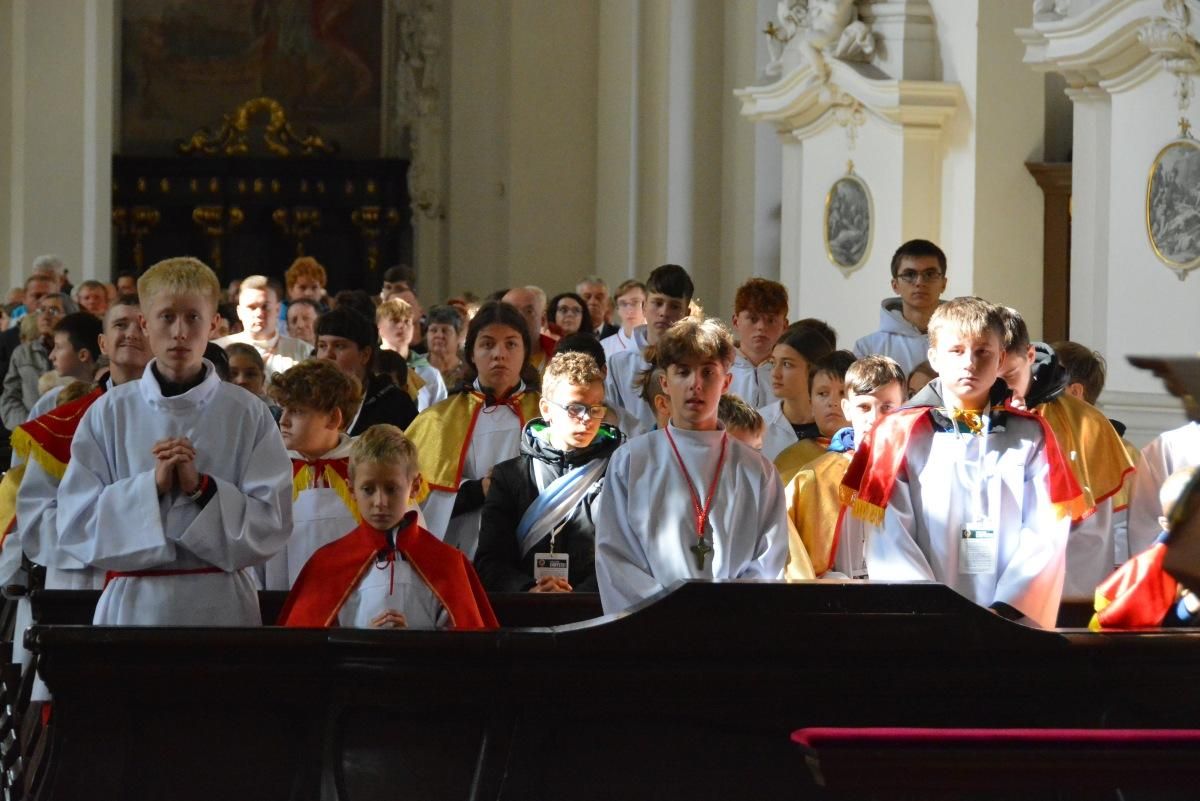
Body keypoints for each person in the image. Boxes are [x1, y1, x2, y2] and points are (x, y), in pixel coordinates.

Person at [56, 256, 293, 625]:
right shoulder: (110, 412)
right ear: (145, 324)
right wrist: (151, 487)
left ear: (214, 324)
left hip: (223, 604)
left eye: (193, 317)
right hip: (133, 604)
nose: (180, 332)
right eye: (166, 317)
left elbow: (272, 522)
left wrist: (202, 489)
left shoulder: (248, 413)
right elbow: (75, 523)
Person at [844, 297, 1082, 628]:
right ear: (934, 357)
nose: (969, 362)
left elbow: (1045, 531)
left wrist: (1004, 610)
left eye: (983, 351)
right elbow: (891, 539)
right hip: (929, 623)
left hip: (1009, 624)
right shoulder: (898, 435)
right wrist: (934, 612)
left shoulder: (1031, 435)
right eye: (956, 351)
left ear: (1000, 358)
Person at [595, 317, 789, 614]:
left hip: (733, 625)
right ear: (664, 382)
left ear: (726, 382)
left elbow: (768, 563)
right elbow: (616, 557)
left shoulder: (757, 470)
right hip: (654, 625)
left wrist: (718, 615)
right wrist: (673, 612)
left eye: (708, 372)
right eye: (683, 372)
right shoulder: (631, 460)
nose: (695, 384)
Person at [279, 425, 497, 629]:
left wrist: (413, 643)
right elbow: (308, 647)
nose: (380, 502)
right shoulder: (327, 564)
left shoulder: (447, 563)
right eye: (368, 489)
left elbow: (469, 648)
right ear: (351, 489)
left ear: (415, 487)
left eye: (391, 489)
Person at [10, 295, 151, 596]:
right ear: (103, 343)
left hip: (150, 579)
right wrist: (106, 536)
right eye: (120, 324)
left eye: (142, 325)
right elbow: (34, 514)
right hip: (80, 579)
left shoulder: (179, 416)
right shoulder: (63, 418)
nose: (131, 333)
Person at [996, 309, 1135, 602]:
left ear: (1029, 357)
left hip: (1071, 586)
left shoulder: (1088, 425)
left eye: (1008, 375)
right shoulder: (977, 411)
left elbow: (1111, 526)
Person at [474, 351, 623, 593]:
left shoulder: (617, 475)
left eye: (596, 409)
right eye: (575, 408)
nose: (587, 419)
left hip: (592, 609)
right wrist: (529, 590)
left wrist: (576, 597)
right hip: (525, 609)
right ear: (546, 409)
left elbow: (622, 559)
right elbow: (490, 562)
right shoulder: (509, 477)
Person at [405, 301, 542, 555]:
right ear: (471, 354)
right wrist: (479, 490)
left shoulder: (548, 415)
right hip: (463, 547)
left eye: (511, 344)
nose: (499, 354)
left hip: (530, 545)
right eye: (487, 344)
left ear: (525, 353)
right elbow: (415, 498)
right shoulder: (438, 420)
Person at [785, 355, 905, 579]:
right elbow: (791, 554)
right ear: (847, 409)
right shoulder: (815, 478)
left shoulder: (915, 473)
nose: (875, 418)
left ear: (903, 409)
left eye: (887, 407)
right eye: (864, 407)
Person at [259, 360, 361, 590]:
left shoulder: (368, 472)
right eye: (283, 409)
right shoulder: (271, 472)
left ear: (333, 418)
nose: (283, 420)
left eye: (297, 411)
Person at [1052, 340, 1141, 565]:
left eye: (1046, 384)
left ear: (1075, 391)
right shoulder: (1034, 445)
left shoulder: (1124, 456)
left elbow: (1129, 536)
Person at [604, 265, 694, 432]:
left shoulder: (695, 363)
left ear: (686, 314)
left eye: (674, 306)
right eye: (658, 303)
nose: (664, 312)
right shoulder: (618, 363)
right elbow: (611, 418)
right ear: (644, 306)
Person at [315, 307, 418, 436]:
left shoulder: (394, 404)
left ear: (365, 355)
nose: (327, 355)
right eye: (322, 346)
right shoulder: (307, 398)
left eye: (339, 346)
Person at [853, 239, 948, 376]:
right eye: (910, 274)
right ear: (895, 285)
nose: (919, 282)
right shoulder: (867, 348)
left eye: (929, 274)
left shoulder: (963, 343)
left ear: (943, 284)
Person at [774, 349, 855, 484]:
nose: (832, 402)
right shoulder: (790, 460)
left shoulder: (875, 456)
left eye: (842, 393)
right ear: (811, 403)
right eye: (823, 394)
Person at [759, 324, 835, 461]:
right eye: (773, 363)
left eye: (787, 364)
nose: (775, 373)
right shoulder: (758, 424)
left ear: (814, 370)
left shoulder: (839, 424)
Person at [1, 291, 76, 429]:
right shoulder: (22, 352)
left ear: (70, 316)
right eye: (41, 310)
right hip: (28, 430)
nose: (45, 316)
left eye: (53, 310)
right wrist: (29, 426)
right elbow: (10, 396)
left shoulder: (80, 353)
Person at [215, 274, 311, 379]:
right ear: (239, 312)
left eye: (265, 307)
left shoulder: (303, 351)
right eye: (251, 307)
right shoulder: (219, 350)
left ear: (278, 309)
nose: (259, 313)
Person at [377, 297, 447, 411]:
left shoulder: (429, 373)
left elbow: (440, 413)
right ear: (379, 327)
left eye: (407, 321)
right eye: (395, 320)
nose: (401, 326)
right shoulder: (370, 368)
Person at [729, 278, 789, 408]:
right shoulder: (720, 369)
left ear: (785, 326)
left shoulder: (791, 374)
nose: (761, 327)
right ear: (736, 321)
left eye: (771, 320)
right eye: (753, 319)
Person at [502, 286, 556, 373]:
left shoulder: (559, 354)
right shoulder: (491, 358)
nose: (520, 317)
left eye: (528, 311)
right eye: (512, 311)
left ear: (542, 320)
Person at [600, 279, 648, 360]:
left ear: (647, 305)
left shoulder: (658, 342)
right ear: (617, 309)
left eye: (635, 302)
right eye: (623, 304)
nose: (629, 310)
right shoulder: (604, 347)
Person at [280, 256, 328, 333]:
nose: (308, 293)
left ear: (321, 289)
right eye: (302, 287)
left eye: (314, 287)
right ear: (290, 290)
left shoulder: (329, 318)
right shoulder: (277, 317)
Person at [425, 305, 467, 388]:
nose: (439, 335)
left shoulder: (468, 372)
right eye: (433, 330)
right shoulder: (415, 369)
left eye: (445, 331)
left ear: (458, 337)